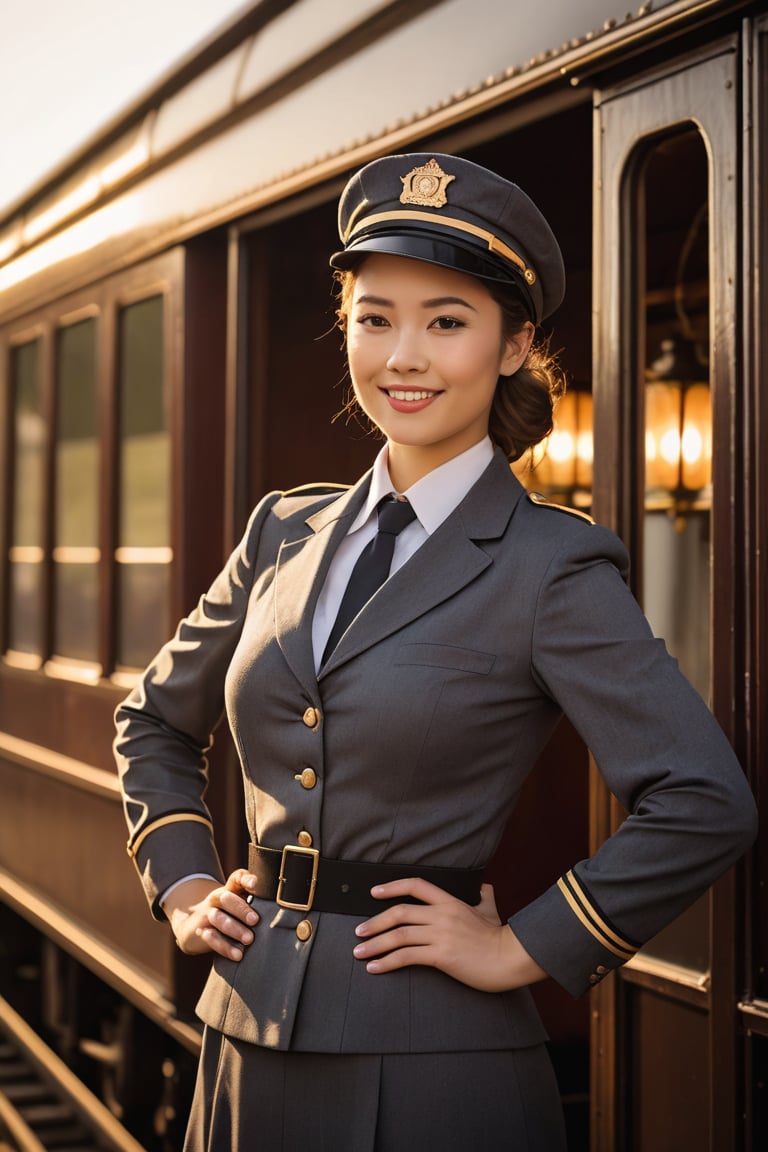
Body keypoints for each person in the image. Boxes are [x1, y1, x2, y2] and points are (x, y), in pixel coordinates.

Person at [114, 153, 757, 1151]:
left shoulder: (553, 564)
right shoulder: (282, 529)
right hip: (239, 1040)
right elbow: (153, 719)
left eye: (446, 321)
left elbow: (705, 798)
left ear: (514, 346)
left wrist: (524, 946)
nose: (403, 355)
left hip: (434, 1071)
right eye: (376, 318)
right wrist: (185, 885)